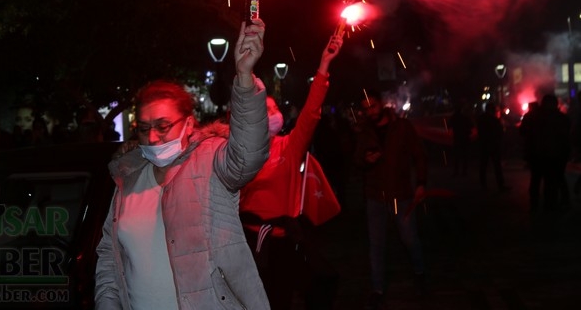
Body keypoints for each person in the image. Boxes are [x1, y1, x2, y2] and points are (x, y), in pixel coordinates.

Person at [94, 19, 270, 310]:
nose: (152, 136)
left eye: (163, 126)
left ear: (188, 124)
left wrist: (244, 77)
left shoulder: (210, 163)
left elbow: (248, 155)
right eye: (144, 128)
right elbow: (110, 260)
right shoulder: (128, 179)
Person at [239, 33, 344, 310]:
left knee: (279, 299)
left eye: (274, 107)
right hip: (246, 244)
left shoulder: (289, 147)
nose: (272, 112)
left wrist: (324, 65)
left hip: (281, 243)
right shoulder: (237, 149)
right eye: (265, 108)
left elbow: (310, 113)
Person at [353, 89, 428, 310]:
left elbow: (419, 155)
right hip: (375, 196)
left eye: (372, 106)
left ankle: (420, 272)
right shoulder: (364, 131)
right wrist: (366, 159)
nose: (369, 111)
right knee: (376, 244)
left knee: (409, 238)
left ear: (381, 104)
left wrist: (421, 182)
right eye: (365, 108)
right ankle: (377, 288)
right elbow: (356, 159)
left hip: (401, 193)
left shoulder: (402, 127)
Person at [535, 94, 571, 212]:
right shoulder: (562, 118)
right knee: (557, 178)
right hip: (559, 154)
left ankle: (546, 204)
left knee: (547, 180)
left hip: (544, 154)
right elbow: (567, 137)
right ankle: (557, 202)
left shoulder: (538, 118)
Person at [476, 102, 508, 192]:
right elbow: (500, 132)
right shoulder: (494, 119)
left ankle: (483, 185)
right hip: (493, 145)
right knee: (496, 165)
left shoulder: (481, 118)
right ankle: (500, 185)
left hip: (484, 144)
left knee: (483, 165)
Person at [520, 101, 542, 212]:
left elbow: (522, 131)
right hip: (545, 150)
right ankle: (550, 201)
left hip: (533, 150)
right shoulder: (544, 116)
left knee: (535, 177)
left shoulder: (528, 117)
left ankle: (534, 201)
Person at [449, 99, 475, 176]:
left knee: (457, 156)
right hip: (464, 138)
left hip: (457, 138)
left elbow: (449, 125)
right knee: (464, 156)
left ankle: (456, 171)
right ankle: (464, 171)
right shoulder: (465, 117)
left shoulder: (454, 117)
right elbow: (471, 125)